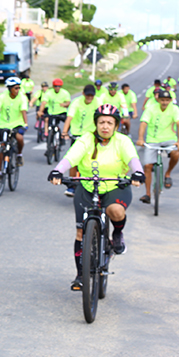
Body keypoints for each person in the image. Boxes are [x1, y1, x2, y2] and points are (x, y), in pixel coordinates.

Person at [48, 104, 145, 290]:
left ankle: (116, 233)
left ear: (116, 125)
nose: (105, 126)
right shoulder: (86, 139)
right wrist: (57, 171)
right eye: (101, 122)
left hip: (115, 186)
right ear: (96, 124)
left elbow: (133, 159)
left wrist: (138, 173)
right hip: (87, 187)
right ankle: (80, 275)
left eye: (109, 122)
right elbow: (71, 157)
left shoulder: (122, 141)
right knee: (80, 232)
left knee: (115, 211)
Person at [136, 89, 179, 202]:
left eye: (167, 100)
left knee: (176, 154)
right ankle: (147, 194)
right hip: (152, 140)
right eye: (162, 100)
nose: (165, 102)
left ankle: (167, 173)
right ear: (158, 99)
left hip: (169, 139)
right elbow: (143, 123)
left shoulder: (174, 109)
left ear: (170, 100)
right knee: (147, 166)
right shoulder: (151, 109)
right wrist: (140, 139)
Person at [61, 84, 101, 197]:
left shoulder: (98, 102)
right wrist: (65, 132)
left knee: (94, 161)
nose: (89, 97)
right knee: (74, 160)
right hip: (77, 135)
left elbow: (102, 117)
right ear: (83, 94)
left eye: (91, 95)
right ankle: (72, 186)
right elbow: (70, 117)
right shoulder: (76, 102)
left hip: (92, 136)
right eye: (87, 95)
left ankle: (94, 184)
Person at [0, 76, 28, 166]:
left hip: (17, 123)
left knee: (19, 138)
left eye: (19, 88)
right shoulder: (2, 96)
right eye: (16, 88)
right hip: (4, 124)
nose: (18, 90)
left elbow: (24, 112)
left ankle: (19, 154)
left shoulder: (22, 97)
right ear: (10, 89)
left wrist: (25, 124)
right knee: (2, 147)